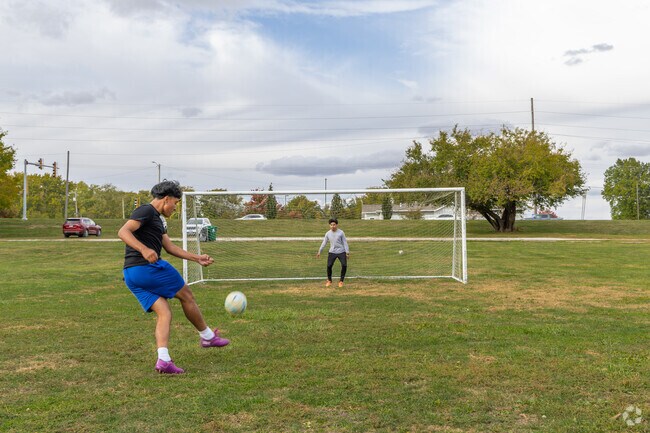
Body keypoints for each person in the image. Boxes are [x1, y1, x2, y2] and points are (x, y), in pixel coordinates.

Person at [118, 180, 229, 375]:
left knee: (165, 313)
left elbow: (170, 248)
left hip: (131, 275)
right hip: (147, 268)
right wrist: (144, 249)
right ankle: (207, 336)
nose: (175, 208)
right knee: (187, 295)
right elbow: (123, 231)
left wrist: (197, 258)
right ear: (166, 199)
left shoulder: (160, 220)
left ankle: (164, 360)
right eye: (175, 203)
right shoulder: (146, 210)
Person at [316, 218, 350, 288]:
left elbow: (345, 242)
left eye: (334, 225)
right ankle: (329, 280)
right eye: (331, 225)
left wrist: (347, 252)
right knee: (329, 266)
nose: (332, 226)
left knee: (344, 265)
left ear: (336, 225)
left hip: (341, 252)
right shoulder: (328, 233)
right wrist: (320, 251)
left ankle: (341, 281)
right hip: (332, 252)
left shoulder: (341, 232)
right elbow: (324, 243)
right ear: (329, 225)